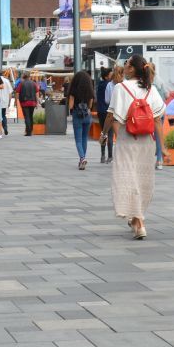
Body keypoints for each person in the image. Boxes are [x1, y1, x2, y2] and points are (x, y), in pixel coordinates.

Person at [108, 55, 167, 239]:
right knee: (141, 180)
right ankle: (135, 219)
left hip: (128, 138)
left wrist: (107, 135)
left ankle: (139, 221)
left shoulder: (121, 87)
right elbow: (158, 120)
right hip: (147, 141)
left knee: (127, 179)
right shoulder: (151, 89)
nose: (124, 66)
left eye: (126, 63)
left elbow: (113, 117)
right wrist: (162, 147)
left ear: (132, 69)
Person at [67, 71, 96, 170]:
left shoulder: (73, 90)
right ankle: (82, 160)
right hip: (87, 115)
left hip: (77, 115)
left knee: (78, 140)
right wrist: (87, 108)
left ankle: (82, 158)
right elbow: (91, 103)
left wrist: (71, 110)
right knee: (84, 138)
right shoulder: (90, 90)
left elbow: (70, 104)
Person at [100, 65, 124, 164]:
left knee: (107, 134)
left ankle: (103, 156)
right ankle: (117, 157)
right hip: (123, 114)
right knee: (122, 137)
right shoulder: (125, 84)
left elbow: (107, 100)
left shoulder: (110, 85)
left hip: (113, 113)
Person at [17, 72, 40, 137]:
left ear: (24, 77)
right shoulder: (34, 83)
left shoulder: (21, 83)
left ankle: (28, 131)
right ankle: (31, 130)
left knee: (26, 117)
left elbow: (17, 93)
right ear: (29, 76)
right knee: (30, 116)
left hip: (24, 102)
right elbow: (37, 93)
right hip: (32, 102)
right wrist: (37, 102)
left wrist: (18, 101)